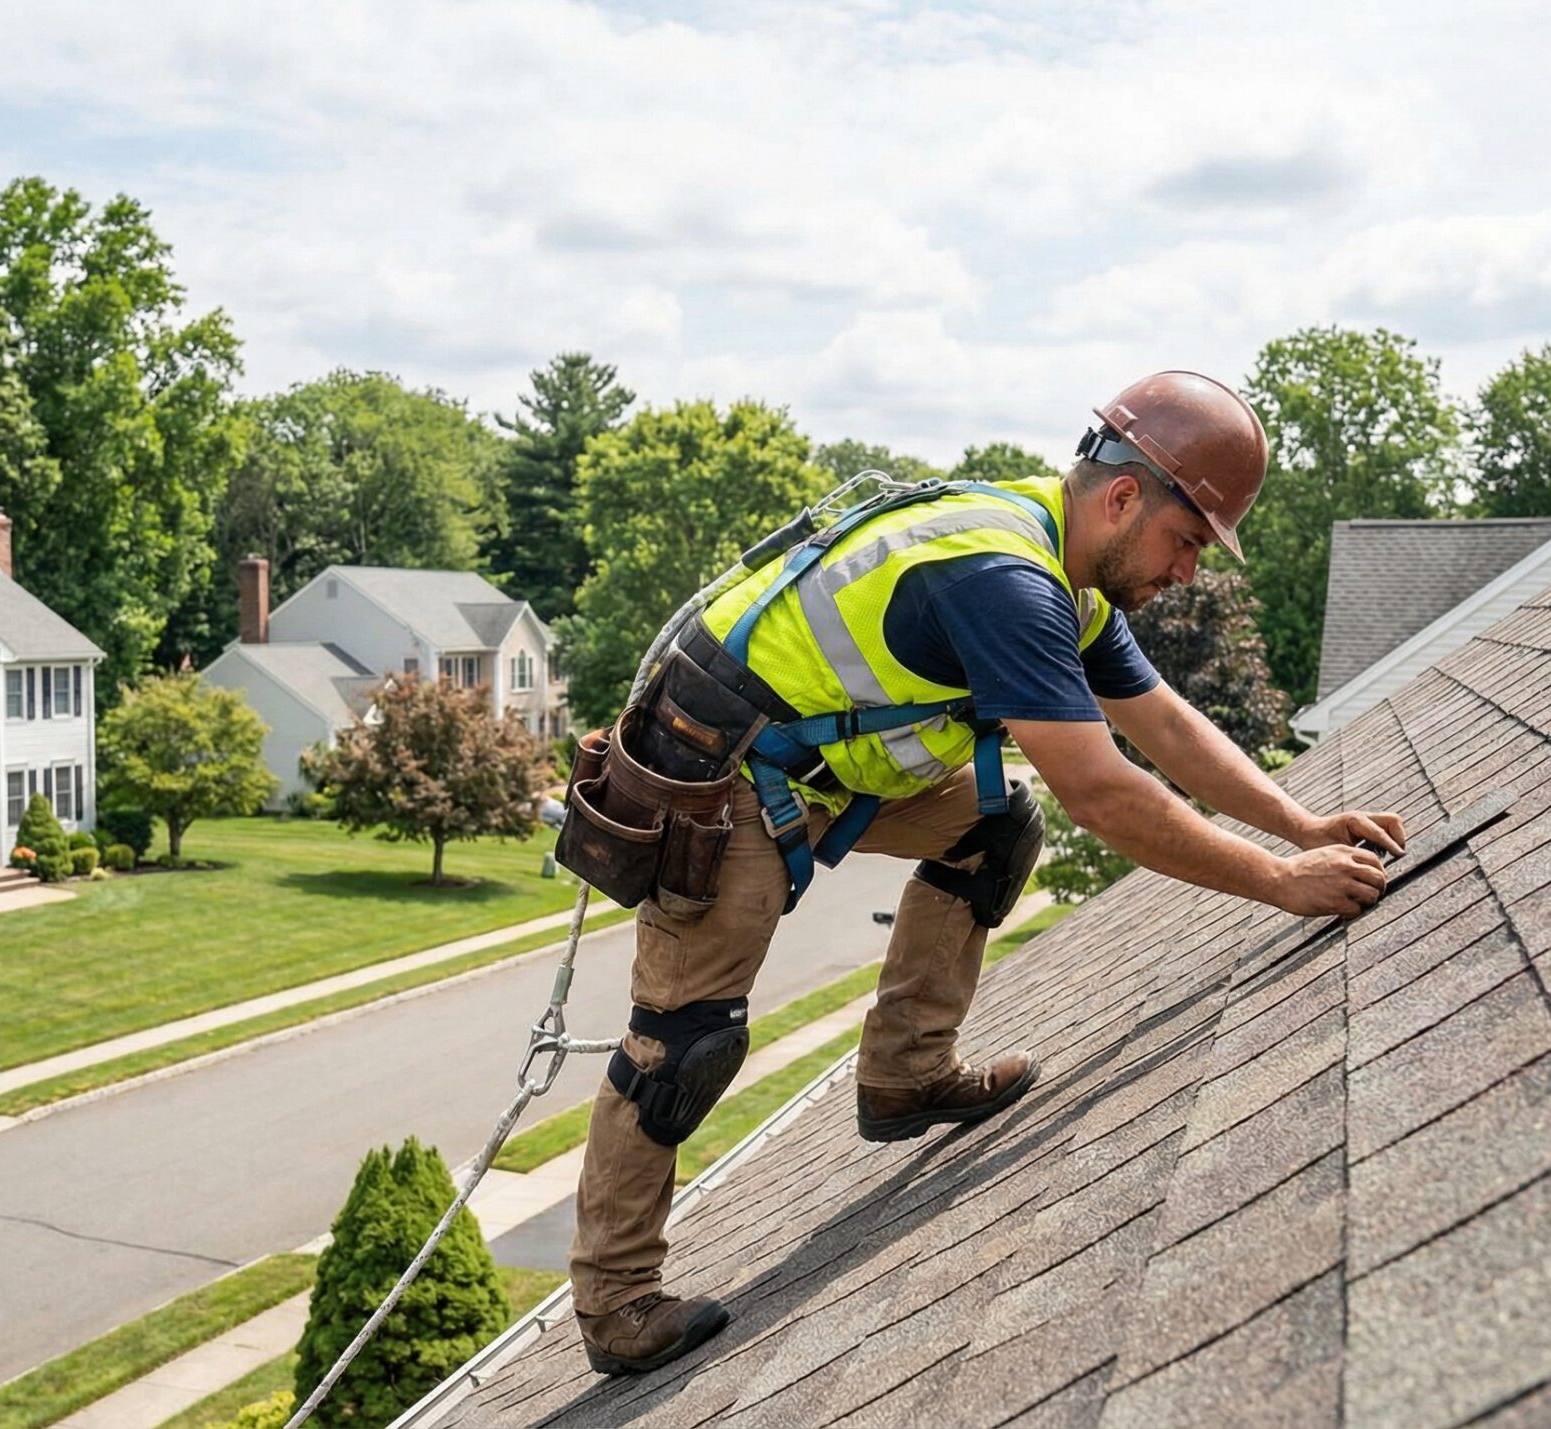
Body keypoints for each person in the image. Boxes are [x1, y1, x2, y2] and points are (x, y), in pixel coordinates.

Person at [564, 371, 1405, 1375]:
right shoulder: (1003, 578)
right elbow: (1104, 792)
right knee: (685, 1042)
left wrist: (1300, 821)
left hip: (824, 762)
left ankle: (906, 1073)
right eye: (1188, 541)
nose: (1188, 572)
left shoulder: (1063, 569)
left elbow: (1164, 726)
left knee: (995, 822)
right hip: (722, 771)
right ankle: (615, 1299)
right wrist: (1281, 882)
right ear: (1123, 497)